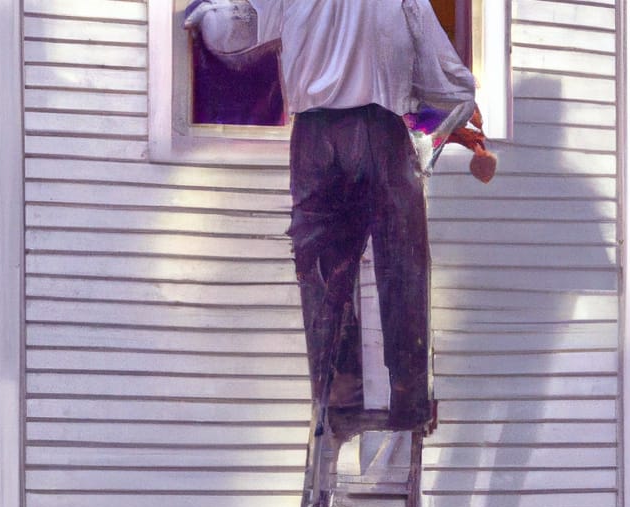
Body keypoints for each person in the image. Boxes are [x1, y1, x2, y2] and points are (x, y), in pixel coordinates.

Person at [185, 0, 479, 432]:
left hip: (315, 136)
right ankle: (410, 404)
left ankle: (338, 403)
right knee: (402, 266)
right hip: (380, 131)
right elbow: (450, 82)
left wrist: (206, 13)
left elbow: (231, 32)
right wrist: (431, 113)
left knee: (323, 272)